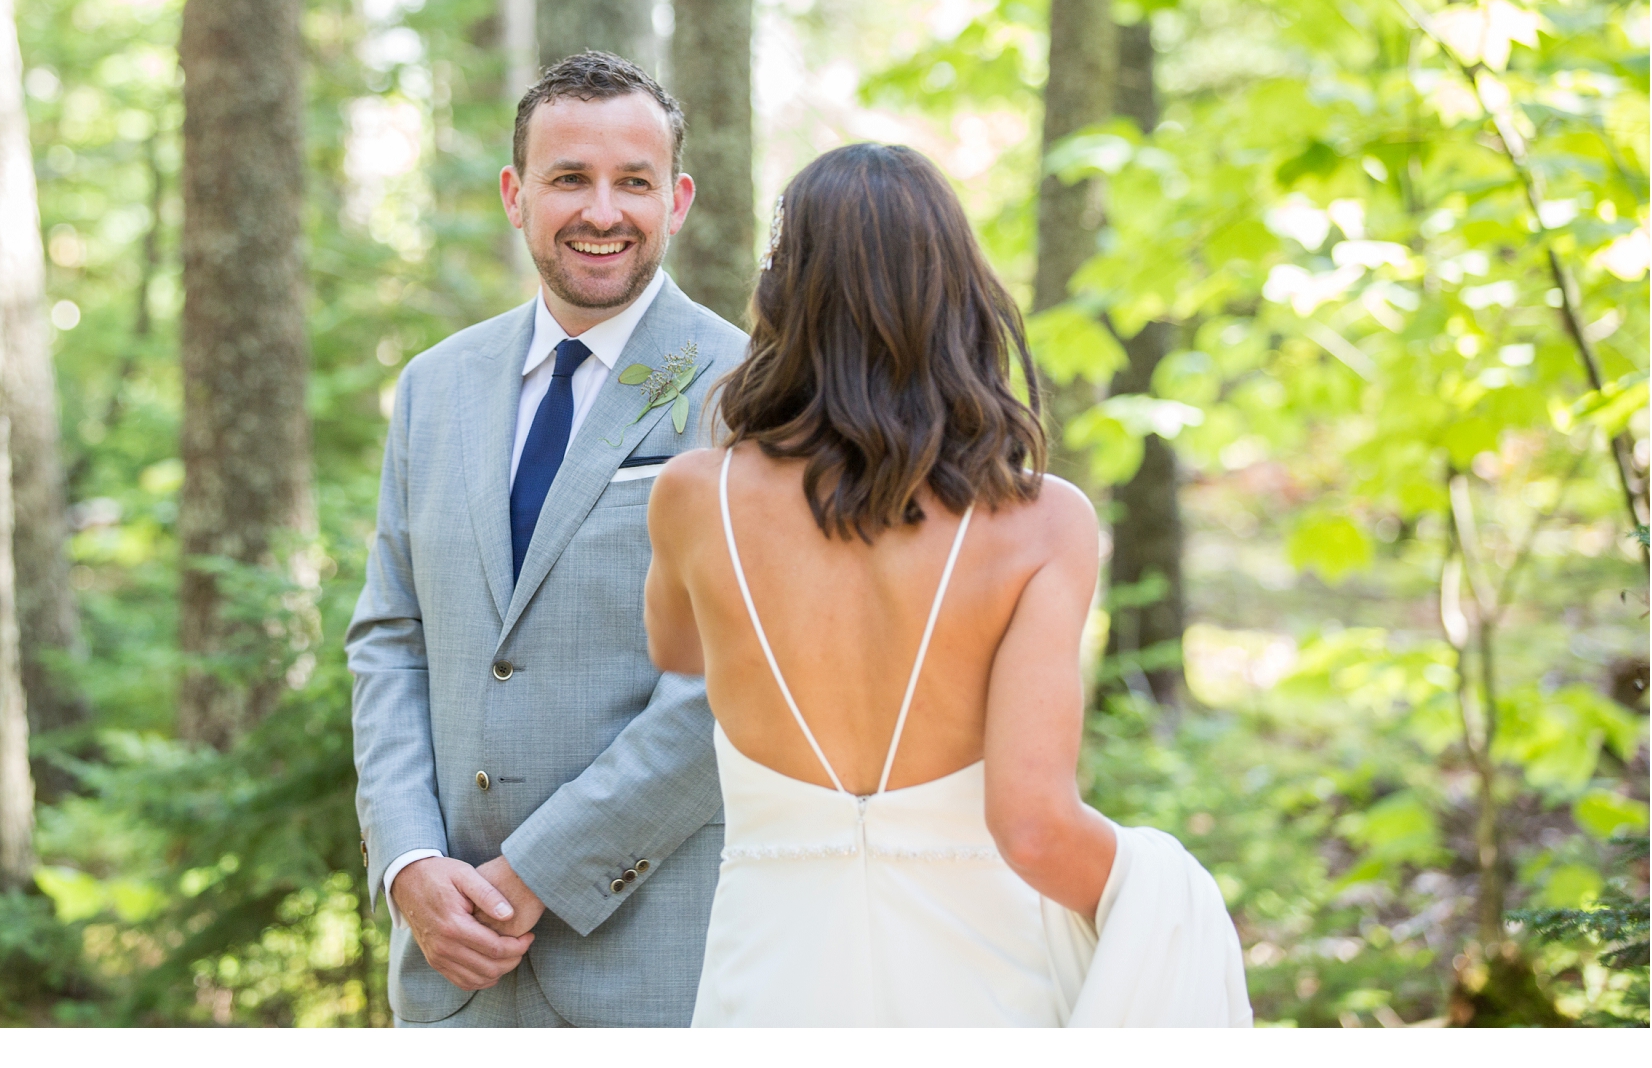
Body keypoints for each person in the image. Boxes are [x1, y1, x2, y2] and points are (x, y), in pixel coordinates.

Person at [645, 142, 1248, 1027]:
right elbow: (1034, 828)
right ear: (959, 291)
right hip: (981, 989)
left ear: (784, 294)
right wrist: (1164, 889)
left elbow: (678, 649)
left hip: (768, 985)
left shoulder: (695, 497)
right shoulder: (1043, 522)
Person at [347, 51, 750, 1028]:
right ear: (515, 194)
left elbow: (734, 684)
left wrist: (535, 871)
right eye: (570, 178)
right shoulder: (436, 387)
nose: (601, 211)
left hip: (648, 960)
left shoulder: (748, 390)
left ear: (679, 199)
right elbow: (391, 638)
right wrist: (408, 865)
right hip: (448, 971)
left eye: (634, 182)